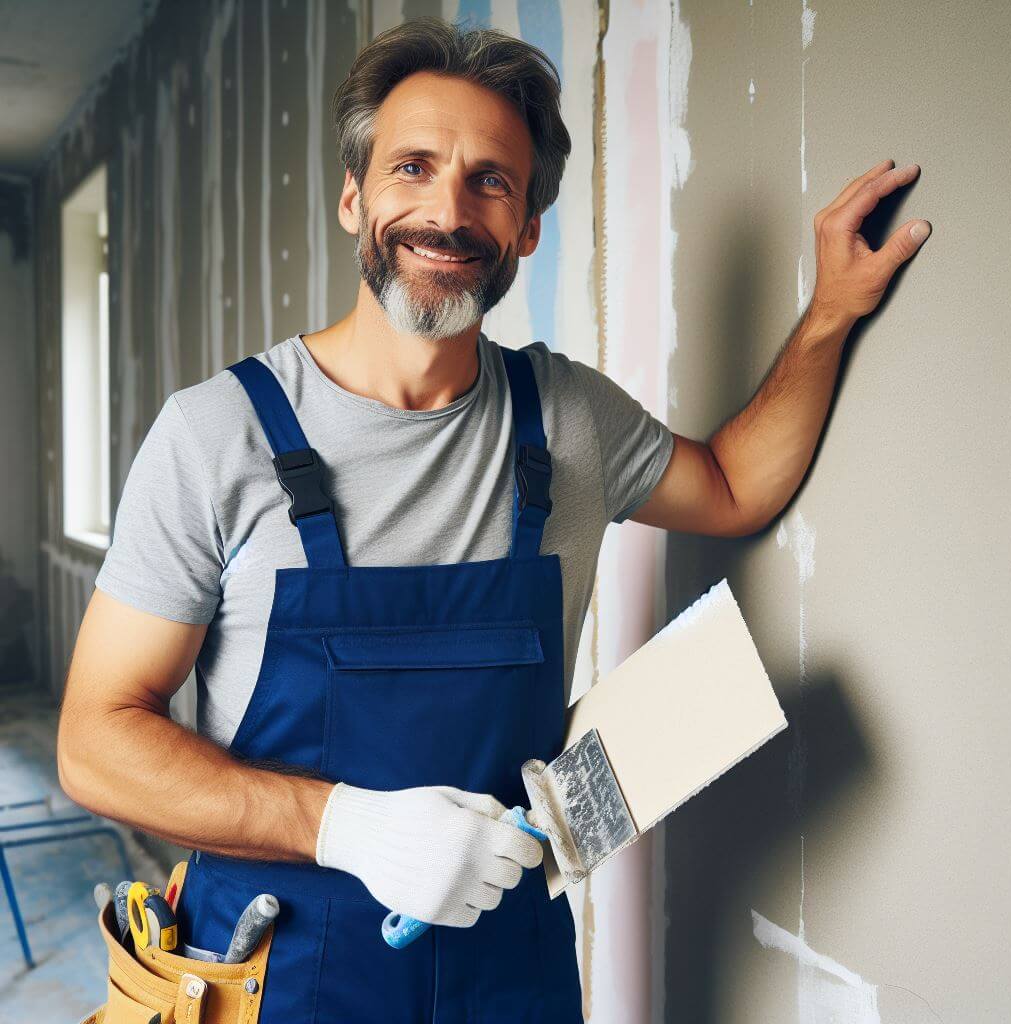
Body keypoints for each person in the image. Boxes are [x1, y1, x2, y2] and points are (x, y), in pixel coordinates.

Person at [57, 14, 928, 1023]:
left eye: (490, 180)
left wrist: (828, 313)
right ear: (353, 197)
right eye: (412, 167)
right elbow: (92, 740)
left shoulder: (567, 422)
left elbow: (734, 485)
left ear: (525, 231)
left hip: (509, 981)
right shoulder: (217, 436)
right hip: (269, 978)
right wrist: (345, 827)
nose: (446, 210)